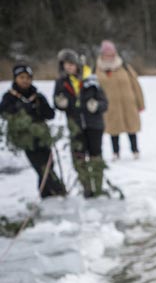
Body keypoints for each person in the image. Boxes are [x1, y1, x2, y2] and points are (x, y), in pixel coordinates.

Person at [0, 63, 66, 198]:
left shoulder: (37, 96)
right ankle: (59, 191)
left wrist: (41, 109)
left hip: (42, 136)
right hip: (27, 139)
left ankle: (46, 194)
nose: (25, 80)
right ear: (15, 79)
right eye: (22, 77)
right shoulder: (10, 97)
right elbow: (4, 113)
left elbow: (50, 114)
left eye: (28, 78)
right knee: (42, 167)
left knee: (49, 164)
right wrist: (20, 110)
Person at [53, 48, 108, 198]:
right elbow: (56, 102)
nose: (68, 67)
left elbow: (105, 103)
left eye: (71, 63)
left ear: (77, 64)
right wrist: (60, 103)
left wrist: (96, 106)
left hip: (94, 125)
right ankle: (87, 188)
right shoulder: (61, 82)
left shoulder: (91, 79)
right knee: (78, 157)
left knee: (96, 156)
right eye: (65, 64)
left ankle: (98, 187)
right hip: (75, 126)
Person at [96, 40, 144, 161]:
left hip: (128, 103)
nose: (110, 57)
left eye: (112, 54)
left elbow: (136, 85)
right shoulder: (97, 70)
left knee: (131, 127)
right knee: (113, 129)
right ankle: (115, 152)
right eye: (107, 54)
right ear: (102, 55)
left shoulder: (124, 67)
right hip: (110, 105)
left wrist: (140, 103)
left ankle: (135, 150)